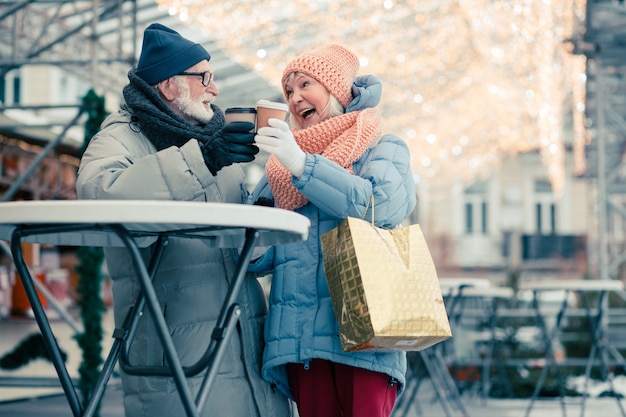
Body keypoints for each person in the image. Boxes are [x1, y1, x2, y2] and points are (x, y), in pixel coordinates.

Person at [75, 23, 290, 417]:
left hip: (243, 343)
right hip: (177, 353)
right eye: (204, 77)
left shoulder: (215, 144)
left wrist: (276, 199)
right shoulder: (121, 138)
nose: (215, 88)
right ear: (170, 84)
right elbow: (101, 199)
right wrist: (203, 160)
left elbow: (238, 248)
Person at [248, 44, 417, 417]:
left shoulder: (382, 146)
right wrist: (247, 178)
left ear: (335, 89)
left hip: (366, 337)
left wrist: (302, 165)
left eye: (304, 84)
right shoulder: (283, 168)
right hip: (302, 339)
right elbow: (256, 258)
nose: (294, 98)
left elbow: (378, 207)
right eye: (288, 91)